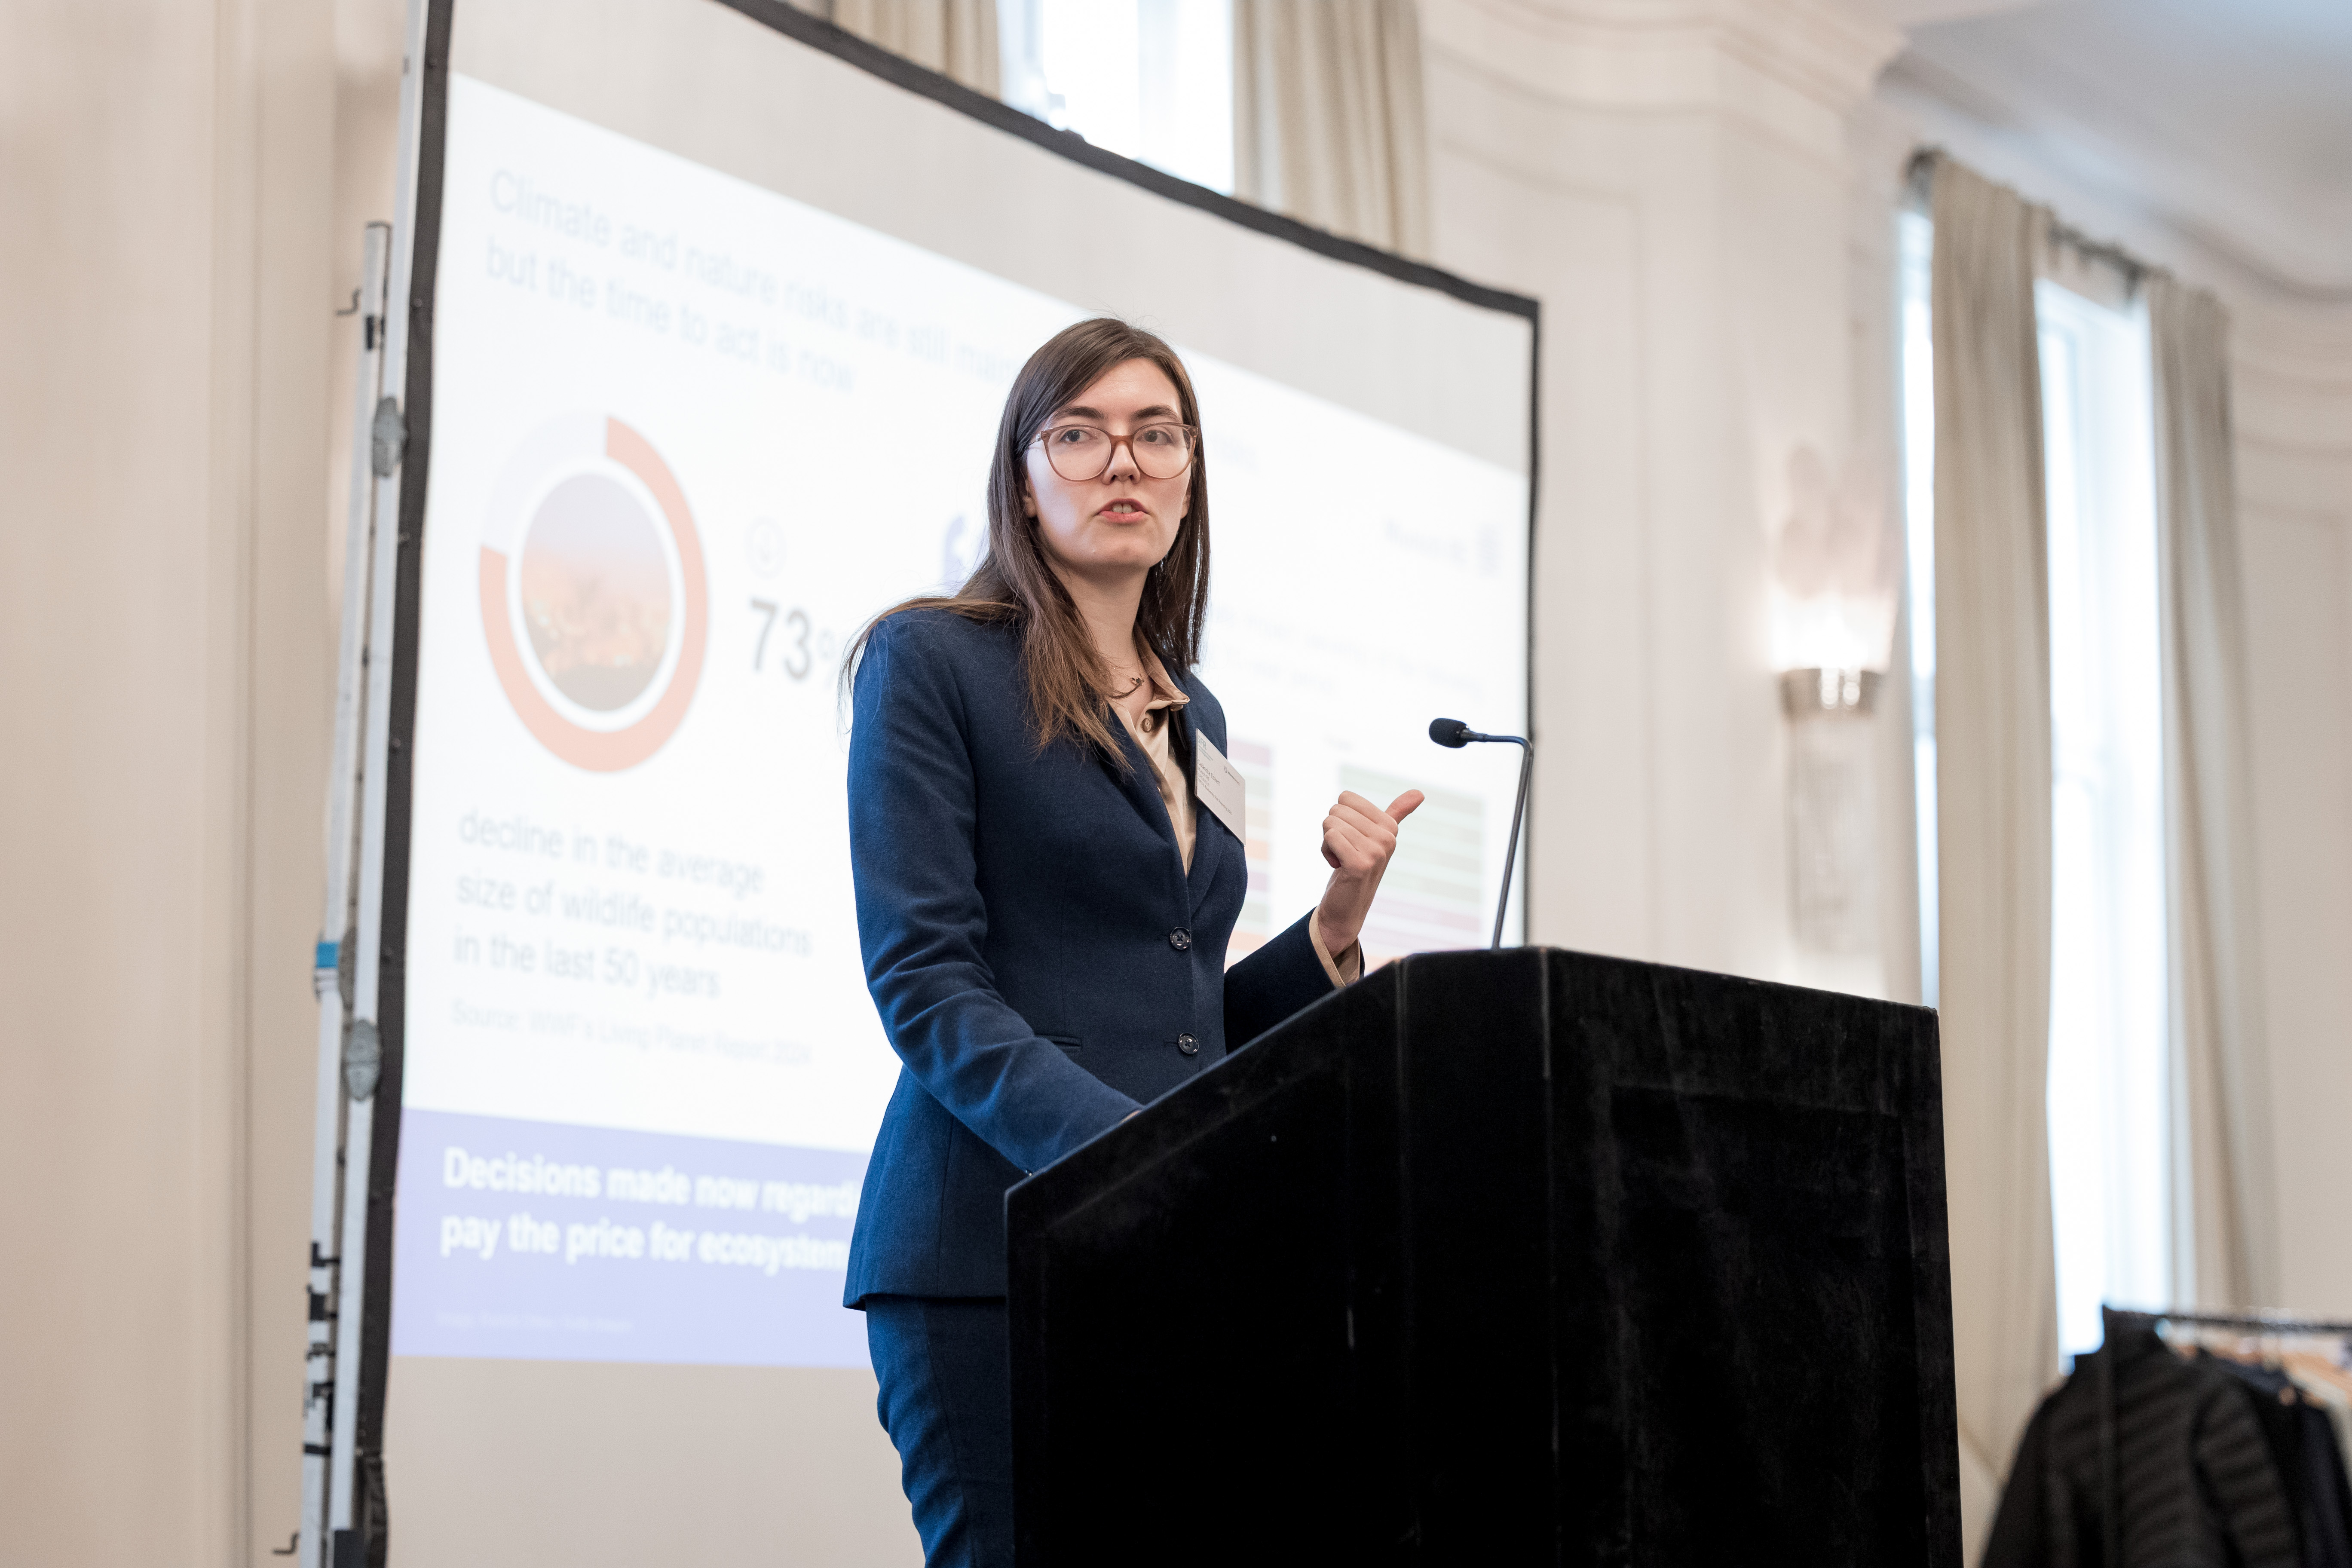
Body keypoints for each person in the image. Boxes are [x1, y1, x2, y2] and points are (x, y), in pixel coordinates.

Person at [840, 317, 1422, 1567]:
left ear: (1189, 475)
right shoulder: (933, 660)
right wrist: (1135, 1157)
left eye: (1156, 435)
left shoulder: (1189, 708)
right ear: (1024, 474)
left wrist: (1333, 925)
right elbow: (928, 986)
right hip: (984, 1248)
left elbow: (1181, 1011)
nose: (1124, 463)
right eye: (1082, 434)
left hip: (1156, 1249)